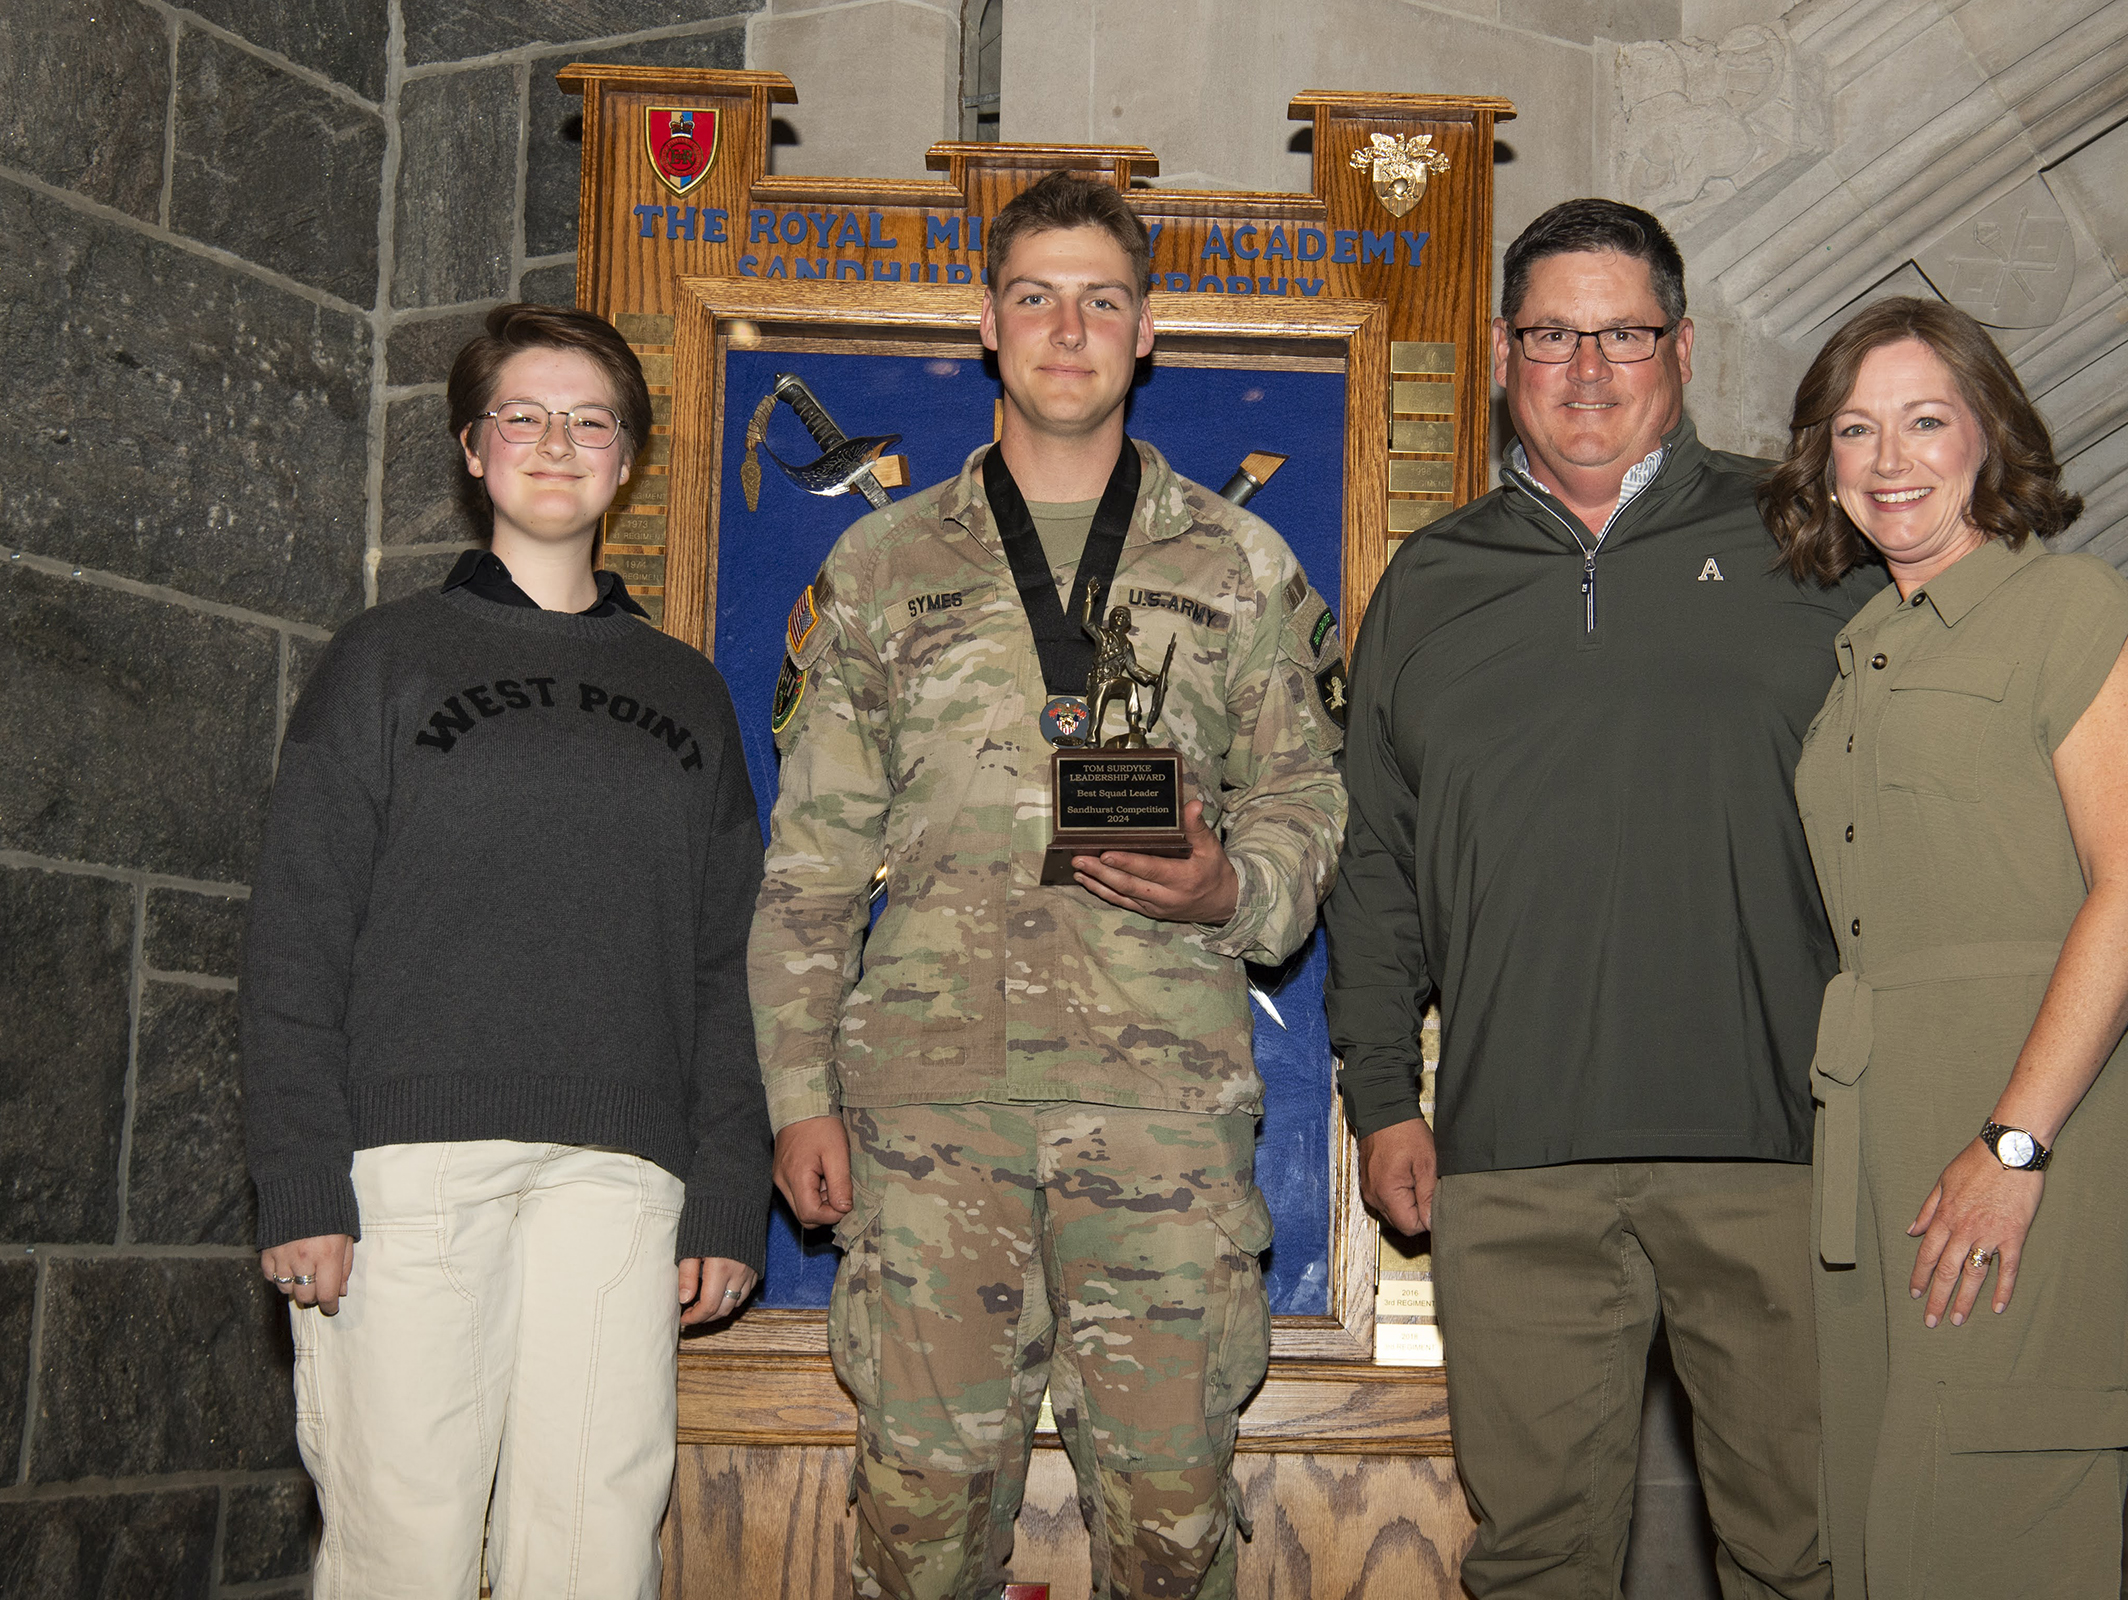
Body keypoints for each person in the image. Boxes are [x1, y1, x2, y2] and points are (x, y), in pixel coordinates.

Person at [750, 172, 1347, 1599]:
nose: (1067, 329)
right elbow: (813, 862)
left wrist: (1232, 893)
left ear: (1147, 332)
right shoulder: (883, 564)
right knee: (920, 1522)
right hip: (927, 1121)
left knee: (1170, 1525)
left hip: (1161, 1124)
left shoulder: (1242, 565)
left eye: (1101, 299)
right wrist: (795, 1099)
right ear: (987, 325)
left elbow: (1308, 801)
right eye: (1036, 297)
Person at [1326, 197, 1884, 1600]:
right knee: (1533, 1565)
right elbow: (1377, 865)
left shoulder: (1813, 548)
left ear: (1682, 347)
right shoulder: (1429, 585)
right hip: (1514, 1166)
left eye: (1623, 332)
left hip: (1781, 1149)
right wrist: (1386, 1096)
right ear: (1503, 354)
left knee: (1806, 1549)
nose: (1588, 367)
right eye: (1551, 334)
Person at [240, 303, 772, 1595]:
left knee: (591, 1546)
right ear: (472, 453)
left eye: (589, 421)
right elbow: (298, 929)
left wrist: (725, 1189)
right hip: (409, 1172)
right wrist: (300, 1174)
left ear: (628, 460)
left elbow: (725, 967)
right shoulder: (386, 660)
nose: (554, 443)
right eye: (521, 418)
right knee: (405, 1543)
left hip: (622, 1177)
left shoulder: (686, 689)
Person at [1762, 297, 2128, 1596]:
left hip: (2023, 1122)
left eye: (1926, 421)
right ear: (1823, 465)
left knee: (1998, 1513)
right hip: (1870, 1133)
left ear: (1991, 437)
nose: (1890, 460)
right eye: (1855, 431)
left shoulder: (2070, 607)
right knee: (1880, 1523)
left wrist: (2014, 1144)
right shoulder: (1858, 651)